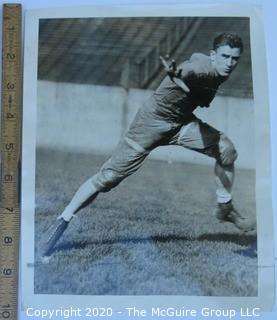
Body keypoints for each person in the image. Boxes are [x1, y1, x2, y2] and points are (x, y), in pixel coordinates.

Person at [41, 33, 255, 257]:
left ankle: (225, 207)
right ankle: (63, 219)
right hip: (150, 125)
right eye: (225, 56)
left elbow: (196, 86)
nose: (230, 63)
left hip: (181, 123)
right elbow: (191, 70)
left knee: (227, 151)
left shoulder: (221, 71)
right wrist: (178, 73)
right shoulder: (203, 66)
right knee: (108, 178)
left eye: (234, 58)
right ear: (213, 55)